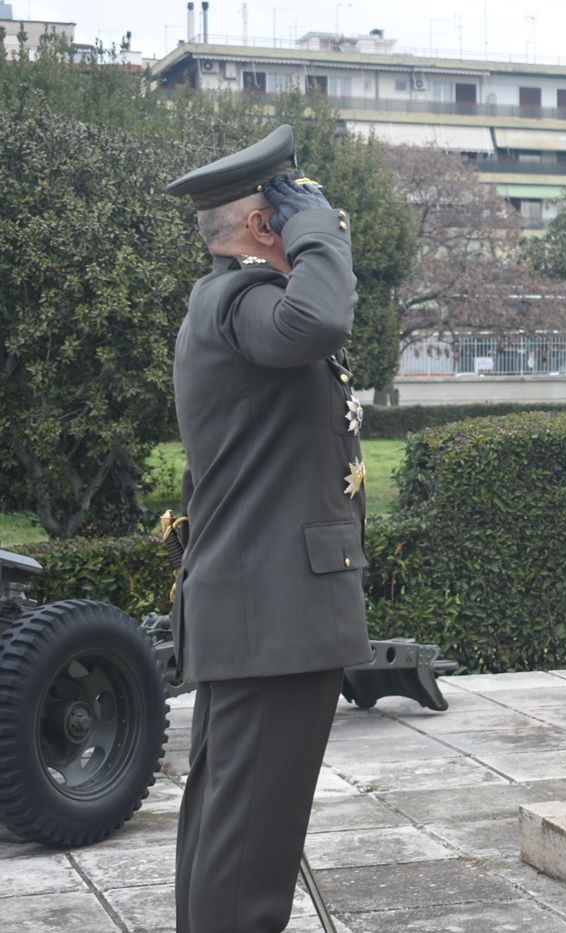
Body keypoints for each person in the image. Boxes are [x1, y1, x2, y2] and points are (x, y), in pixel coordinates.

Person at [164, 124, 372, 933]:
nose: (317, 227)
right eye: (291, 212)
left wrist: (307, 226)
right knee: (249, 856)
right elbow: (320, 320)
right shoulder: (244, 300)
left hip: (263, 610)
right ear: (262, 225)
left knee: (231, 835)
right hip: (272, 615)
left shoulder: (229, 303)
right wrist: (317, 227)